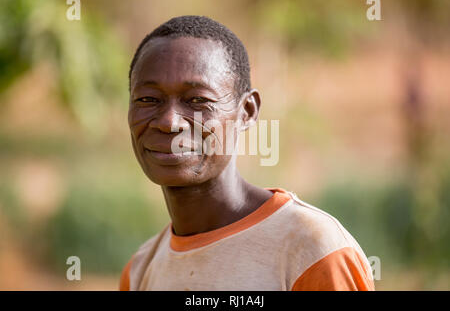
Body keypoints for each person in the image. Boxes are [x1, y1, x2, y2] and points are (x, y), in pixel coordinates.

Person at [119, 15, 374, 291]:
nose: (169, 122)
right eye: (148, 100)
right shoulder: (140, 271)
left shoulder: (312, 251)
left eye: (197, 100)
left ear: (247, 112)